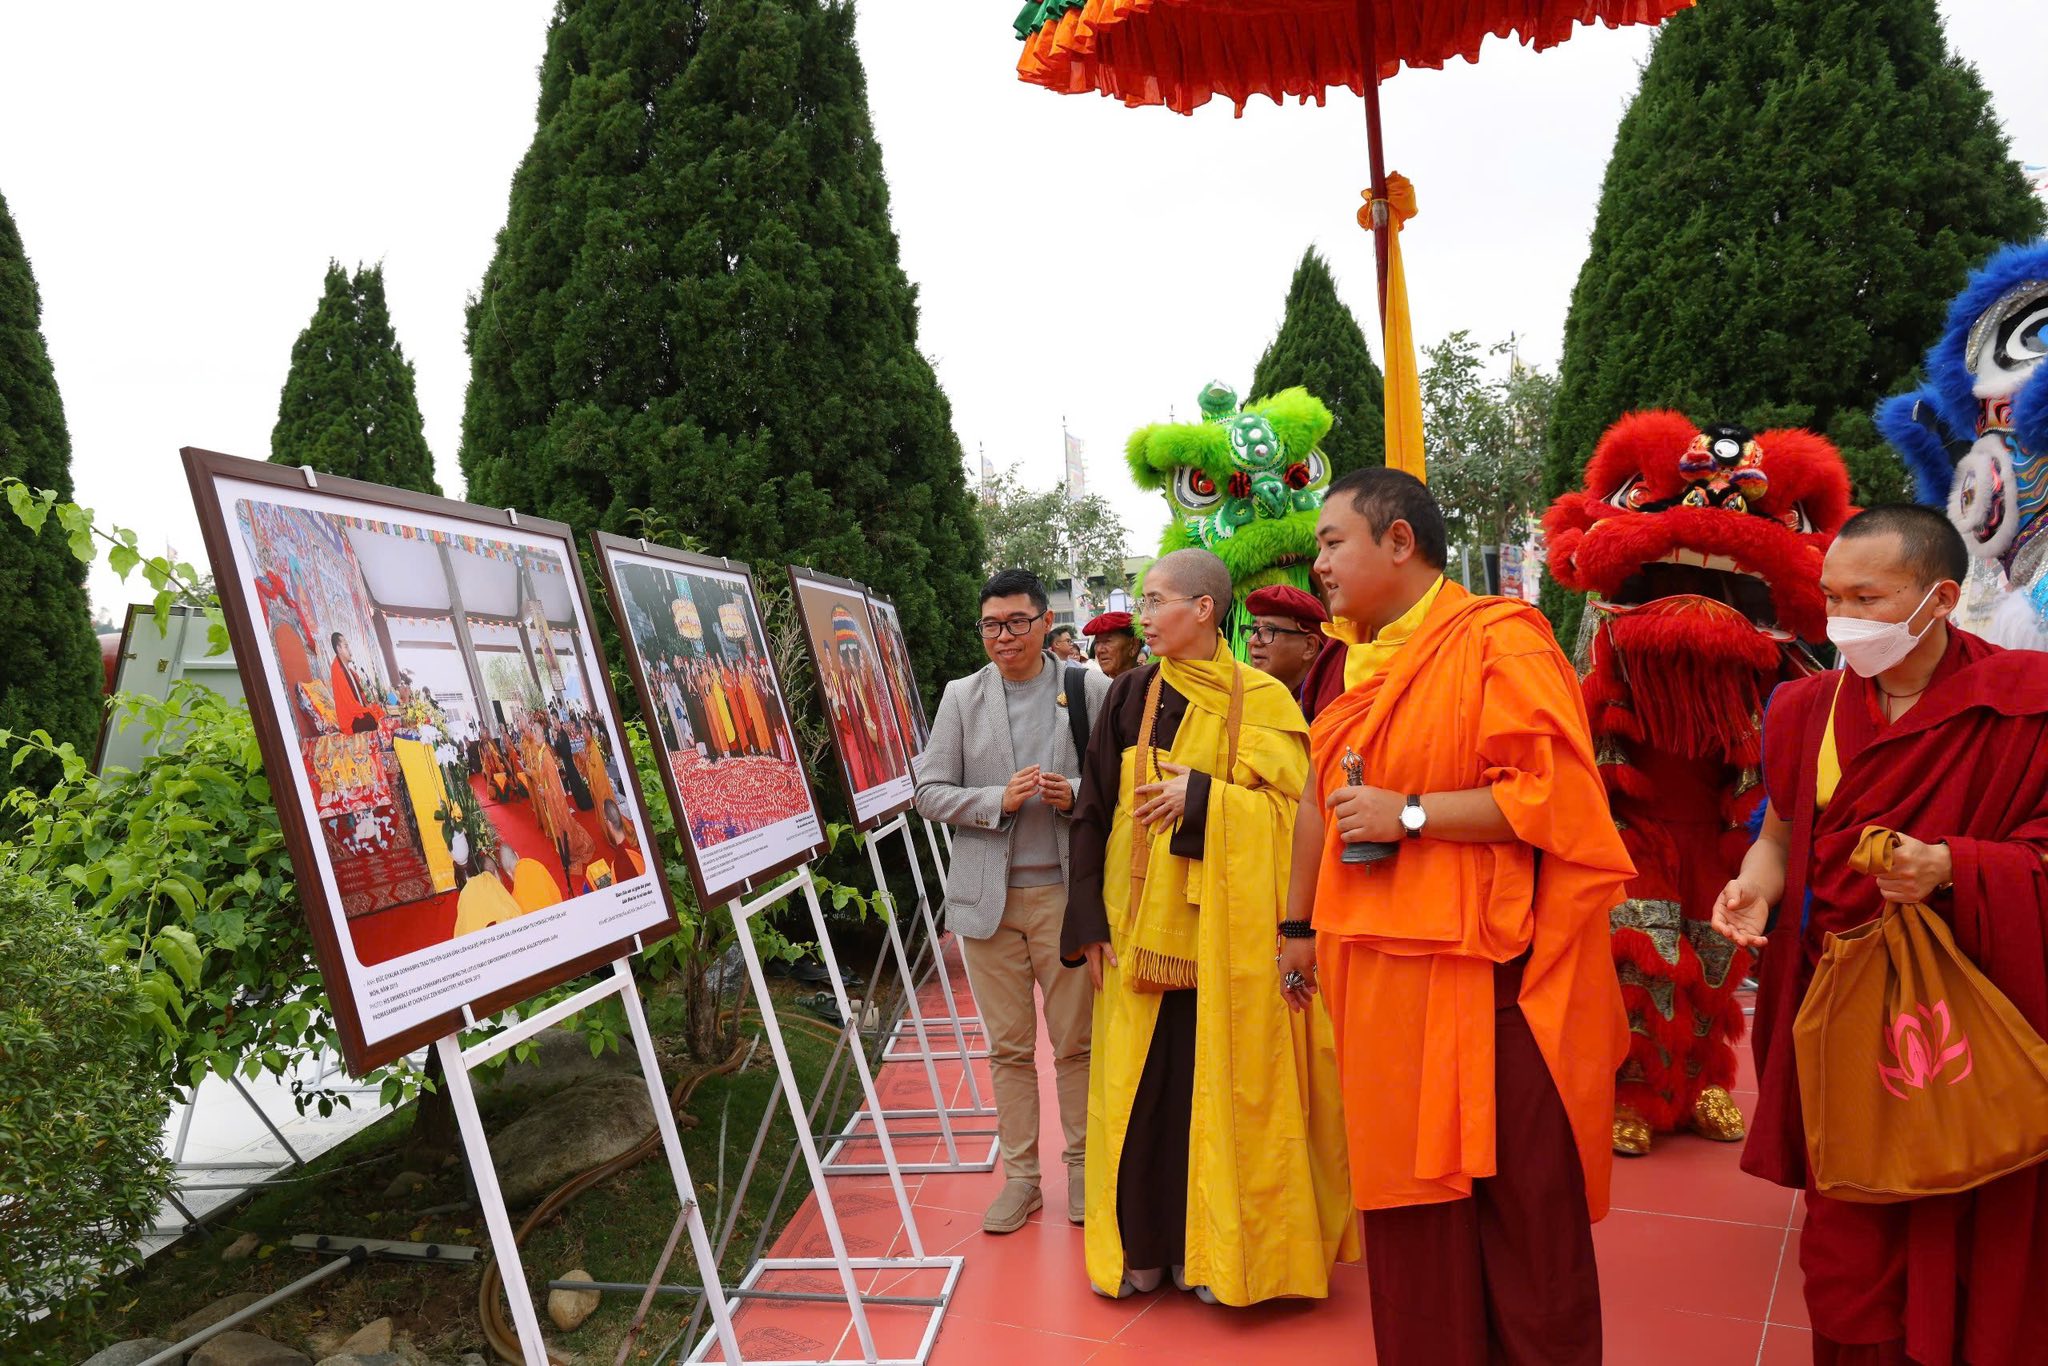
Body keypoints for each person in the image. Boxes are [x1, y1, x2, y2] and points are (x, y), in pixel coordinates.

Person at [1280, 468, 1632, 1364]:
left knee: (1528, 1218)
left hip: (1491, 982)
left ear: (1399, 542)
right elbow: (1320, 802)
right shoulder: (1347, 664)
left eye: (1332, 541)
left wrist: (1409, 814)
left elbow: (1553, 797)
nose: (1320, 563)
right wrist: (1297, 927)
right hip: (1381, 982)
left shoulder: (1498, 640)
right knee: (1410, 1222)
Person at [1712, 505, 2048, 1366]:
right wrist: (1752, 890)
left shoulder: (2025, 701)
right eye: (1832, 598)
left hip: (1971, 1013)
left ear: (1942, 598)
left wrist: (1956, 865)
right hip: (1842, 1010)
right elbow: (1779, 837)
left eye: (1868, 598)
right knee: (1847, 1246)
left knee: (1972, 1218)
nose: (1843, 619)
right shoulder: (1804, 707)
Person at [1064, 548, 1357, 1306]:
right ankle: (1144, 1249)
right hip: (1136, 931)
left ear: (1202, 609)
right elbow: (1094, 807)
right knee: (1142, 1095)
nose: (1143, 616)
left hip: (1231, 940)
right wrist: (1088, 920)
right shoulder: (1128, 694)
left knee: (1219, 1092)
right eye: (1142, 601)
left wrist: (1204, 799)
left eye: (1155, 600)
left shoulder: (1262, 700)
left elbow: (1297, 816)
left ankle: (1217, 1257)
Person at [915, 569, 1110, 1233]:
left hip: (1064, 898)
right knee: (1007, 1048)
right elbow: (928, 790)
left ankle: (1082, 1169)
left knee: (1077, 1045)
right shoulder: (962, 696)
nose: (1004, 636)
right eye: (992, 625)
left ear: (1045, 623)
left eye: (1018, 623)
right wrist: (994, 800)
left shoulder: (1087, 689)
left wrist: (1075, 795)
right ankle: (1022, 1179)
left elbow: (1120, 780)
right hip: (987, 902)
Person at [1243, 583, 1328, 698]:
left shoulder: (1330, 701)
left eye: (1270, 630)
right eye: (1254, 630)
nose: (1254, 641)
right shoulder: (1248, 697)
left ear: (1309, 646)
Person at [329, 632, 383, 735]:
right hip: (350, 719)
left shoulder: (350, 672)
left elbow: (361, 699)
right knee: (372, 719)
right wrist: (366, 710)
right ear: (339, 649)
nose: (350, 651)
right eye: (346, 647)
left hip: (357, 711)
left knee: (378, 710)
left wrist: (368, 706)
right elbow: (349, 704)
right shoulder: (337, 670)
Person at [1083, 611, 1143, 680]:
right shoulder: (1093, 684)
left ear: (1133, 646)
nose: (1099, 650)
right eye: (1097, 642)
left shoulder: (1149, 682)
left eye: (1107, 641)